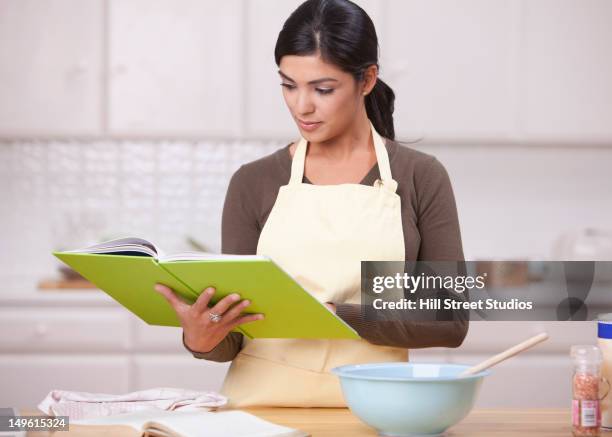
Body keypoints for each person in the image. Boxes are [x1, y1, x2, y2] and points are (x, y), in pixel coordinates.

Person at [154, 0, 468, 407]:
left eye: (323, 89)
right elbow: (232, 337)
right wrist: (200, 338)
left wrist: (333, 315)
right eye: (288, 85)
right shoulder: (253, 182)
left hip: (376, 410)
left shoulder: (419, 177)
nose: (301, 106)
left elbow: (450, 322)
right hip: (257, 414)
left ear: (367, 79)